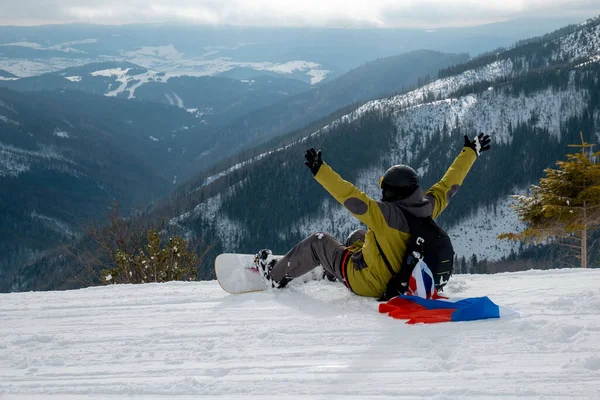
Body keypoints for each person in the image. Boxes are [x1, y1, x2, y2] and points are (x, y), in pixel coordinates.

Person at [255, 133, 491, 298]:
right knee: (358, 236)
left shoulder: (385, 215)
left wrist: (320, 171)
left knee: (318, 242)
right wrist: (471, 152)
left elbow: (351, 197)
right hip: (397, 275)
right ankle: (330, 272)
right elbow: (450, 184)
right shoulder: (428, 205)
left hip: (370, 283)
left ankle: (275, 275)